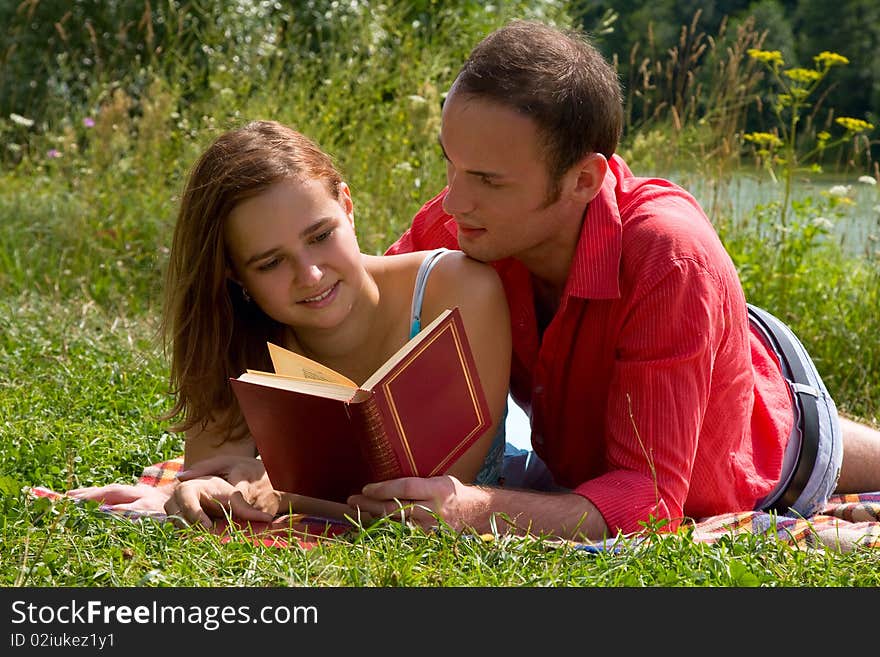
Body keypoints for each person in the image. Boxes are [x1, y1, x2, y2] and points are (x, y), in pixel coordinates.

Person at [344, 19, 880, 542]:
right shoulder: (469, 220)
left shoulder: (671, 256)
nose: (454, 201)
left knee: (811, 441)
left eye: (487, 179)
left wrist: (471, 509)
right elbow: (362, 319)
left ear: (583, 180)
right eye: (450, 165)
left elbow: (649, 503)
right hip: (692, 345)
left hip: (773, 441)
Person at [68, 119, 512, 529]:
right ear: (235, 275)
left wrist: (281, 493)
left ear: (348, 207)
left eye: (320, 236)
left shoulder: (457, 289)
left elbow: (430, 503)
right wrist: (201, 491)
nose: (311, 275)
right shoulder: (234, 333)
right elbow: (221, 481)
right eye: (270, 263)